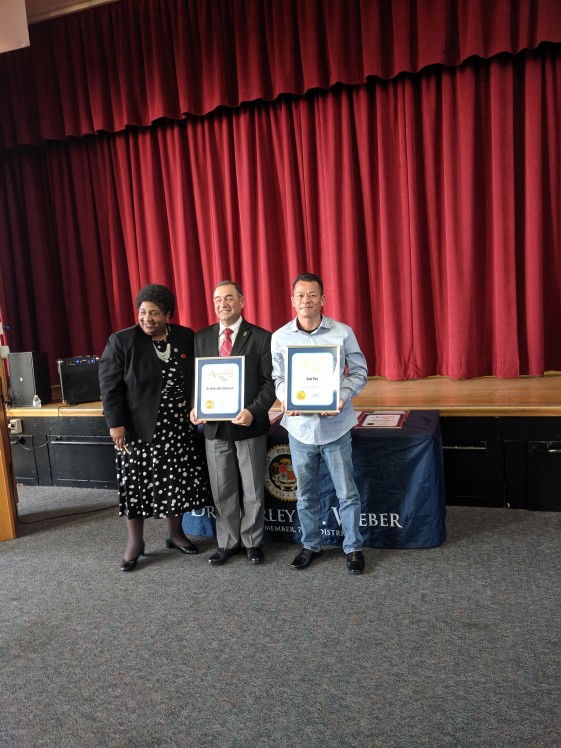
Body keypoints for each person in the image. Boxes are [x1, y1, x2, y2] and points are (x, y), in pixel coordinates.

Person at [99, 284, 211, 571]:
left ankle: (175, 534)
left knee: (176, 482)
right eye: (143, 312)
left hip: (177, 427)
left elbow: (200, 376)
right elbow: (109, 386)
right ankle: (135, 542)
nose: (147, 318)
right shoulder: (122, 340)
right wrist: (116, 424)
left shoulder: (185, 337)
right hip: (136, 430)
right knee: (135, 485)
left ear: (168, 315)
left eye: (155, 313)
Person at [271, 273, 368, 574]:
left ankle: (353, 548)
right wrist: (288, 399)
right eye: (300, 295)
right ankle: (310, 544)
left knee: (346, 492)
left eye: (313, 295)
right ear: (292, 301)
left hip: (335, 426)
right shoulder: (280, 337)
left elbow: (360, 372)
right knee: (305, 493)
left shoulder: (342, 332)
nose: (306, 300)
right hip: (299, 430)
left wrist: (341, 396)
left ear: (323, 299)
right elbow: (279, 378)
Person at [190, 280, 276, 565]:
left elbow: (269, 384)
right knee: (222, 488)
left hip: (248, 424)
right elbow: (197, 380)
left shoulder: (262, 337)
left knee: (252, 489)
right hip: (214, 427)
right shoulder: (201, 338)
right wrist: (195, 406)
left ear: (242, 301)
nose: (222, 303)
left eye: (228, 298)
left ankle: (252, 542)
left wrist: (254, 410)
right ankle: (227, 542)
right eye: (217, 299)